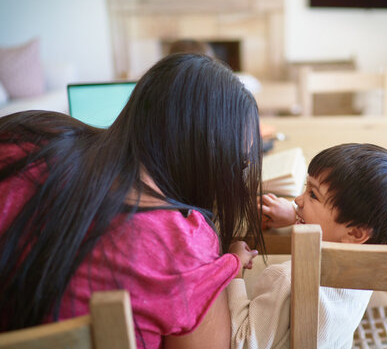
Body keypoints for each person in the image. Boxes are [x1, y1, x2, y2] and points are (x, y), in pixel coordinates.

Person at [0, 53, 265, 349]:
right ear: (206, 156)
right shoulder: (182, 245)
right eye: (238, 163)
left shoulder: (28, 136)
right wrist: (229, 273)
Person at [228, 143, 387, 348]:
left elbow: (242, 341)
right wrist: (296, 215)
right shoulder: (369, 260)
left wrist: (232, 270)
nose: (298, 199)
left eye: (313, 195)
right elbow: (333, 229)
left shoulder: (286, 279)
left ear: (355, 232)